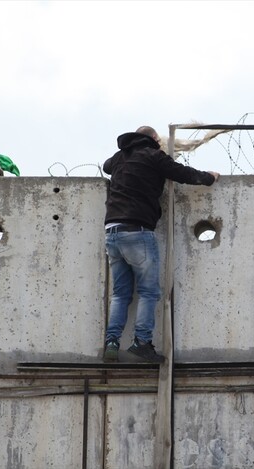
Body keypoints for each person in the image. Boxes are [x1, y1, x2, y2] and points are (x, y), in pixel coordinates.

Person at [102, 126, 220, 363]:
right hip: (137, 230)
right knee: (148, 291)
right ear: (155, 139)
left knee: (120, 293)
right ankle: (141, 342)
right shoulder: (154, 156)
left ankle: (112, 342)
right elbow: (182, 173)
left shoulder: (119, 157)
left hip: (112, 231)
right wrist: (209, 177)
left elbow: (106, 166)